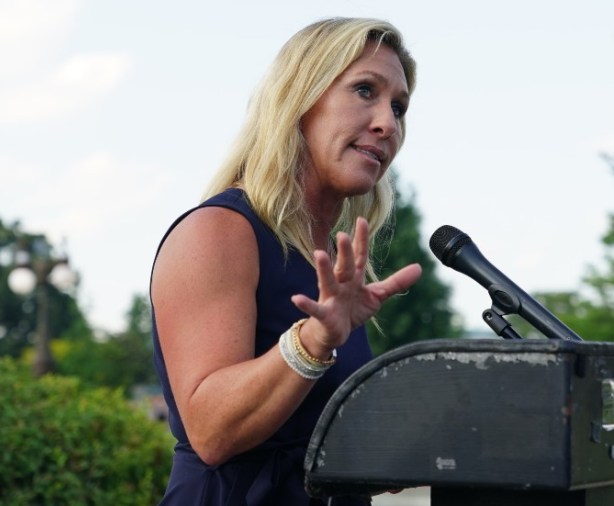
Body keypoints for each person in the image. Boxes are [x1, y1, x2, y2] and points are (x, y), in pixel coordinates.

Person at [149, 17, 421, 506]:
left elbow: (310, 441)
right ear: (300, 99)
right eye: (365, 90)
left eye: (399, 108)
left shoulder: (331, 269)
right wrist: (314, 341)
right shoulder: (220, 232)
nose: (388, 123)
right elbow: (212, 432)